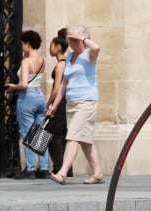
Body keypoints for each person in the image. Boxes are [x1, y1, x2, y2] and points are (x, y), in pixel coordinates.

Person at [46, 25, 104, 185]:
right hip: (72, 103)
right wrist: (54, 106)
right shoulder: (70, 57)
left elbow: (97, 47)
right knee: (84, 140)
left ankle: (63, 172)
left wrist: (83, 39)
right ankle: (97, 172)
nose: (70, 41)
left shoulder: (88, 55)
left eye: (73, 38)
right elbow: (63, 86)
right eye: (69, 38)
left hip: (86, 102)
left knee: (72, 136)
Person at [6, 30, 48, 179]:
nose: (21, 46)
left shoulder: (26, 62)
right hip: (40, 96)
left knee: (27, 133)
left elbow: (23, 84)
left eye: (23, 43)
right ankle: (44, 168)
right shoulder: (43, 60)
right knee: (40, 132)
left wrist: (12, 86)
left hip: (27, 97)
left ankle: (30, 168)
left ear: (28, 43)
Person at [46, 28, 72, 177]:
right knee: (62, 136)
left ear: (58, 47)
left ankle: (58, 168)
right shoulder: (66, 62)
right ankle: (66, 169)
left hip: (60, 104)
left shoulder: (60, 64)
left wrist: (48, 103)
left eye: (51, 46)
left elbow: (56, 89)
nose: (50, 49)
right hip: (64, 103)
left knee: (54, 136)